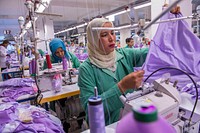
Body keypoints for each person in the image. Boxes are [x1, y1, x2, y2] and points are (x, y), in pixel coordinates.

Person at [78, 18, 148, 126]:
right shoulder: (86, 69)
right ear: (94, 39)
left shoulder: (125, 55)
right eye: (104, 34)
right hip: (107, 127)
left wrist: (170, 20)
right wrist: (121, 87)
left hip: (131, 122)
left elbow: (151, 52)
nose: (111, 38)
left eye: (112, 33)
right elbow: (90, 109)